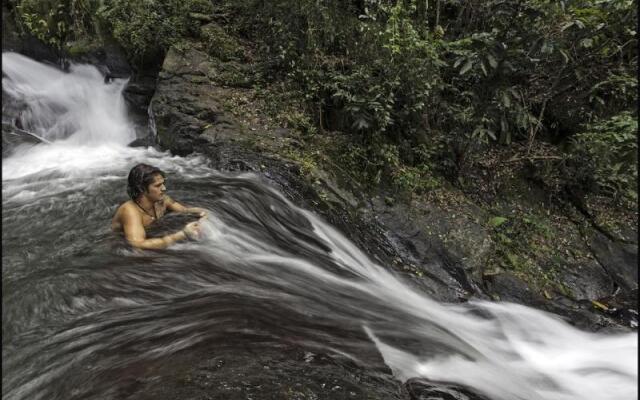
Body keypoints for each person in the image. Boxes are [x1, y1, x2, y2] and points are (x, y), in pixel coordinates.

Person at [111, 163, 206, 249]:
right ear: (141, 189)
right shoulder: (129, 211)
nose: (164, 188)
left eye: (163, 184)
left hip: (152, 235)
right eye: (158, 185)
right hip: (121, 249)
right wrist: (182, 234)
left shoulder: (162, 200)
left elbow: (186, 211)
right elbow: (138, 244)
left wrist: (204, 215)